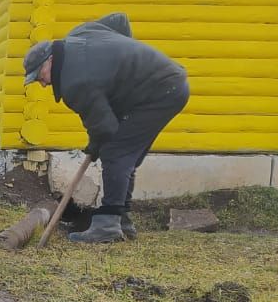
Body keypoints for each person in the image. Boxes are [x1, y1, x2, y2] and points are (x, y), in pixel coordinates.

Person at [23, 14, 189, 242]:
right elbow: (118, 20)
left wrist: (94, 145)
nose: (42, 84)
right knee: (125, 155)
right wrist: (125, 61)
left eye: (39, 76)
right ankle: (121, 220)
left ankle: (108, 225)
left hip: (159, 91)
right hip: (167, 84)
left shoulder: (74, 82)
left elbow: (105, 127)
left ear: (50, 61)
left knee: (116, 152)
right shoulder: (79, 34)